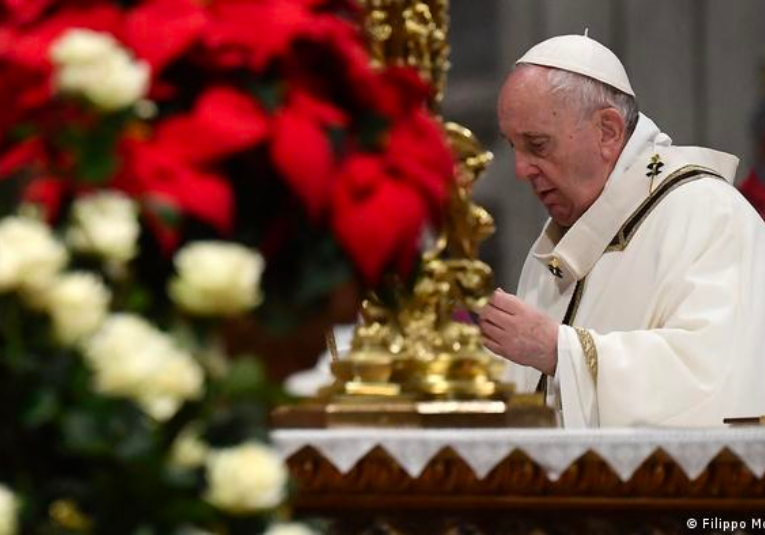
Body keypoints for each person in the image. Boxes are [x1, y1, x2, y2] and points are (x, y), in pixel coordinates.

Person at [479, 34, 765, 427]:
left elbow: (714, 380)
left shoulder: (709, 215)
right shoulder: (564, 238)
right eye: (515, 147)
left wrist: (562, 351)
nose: (521, 170)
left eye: (538, 145)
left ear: (608, 132)